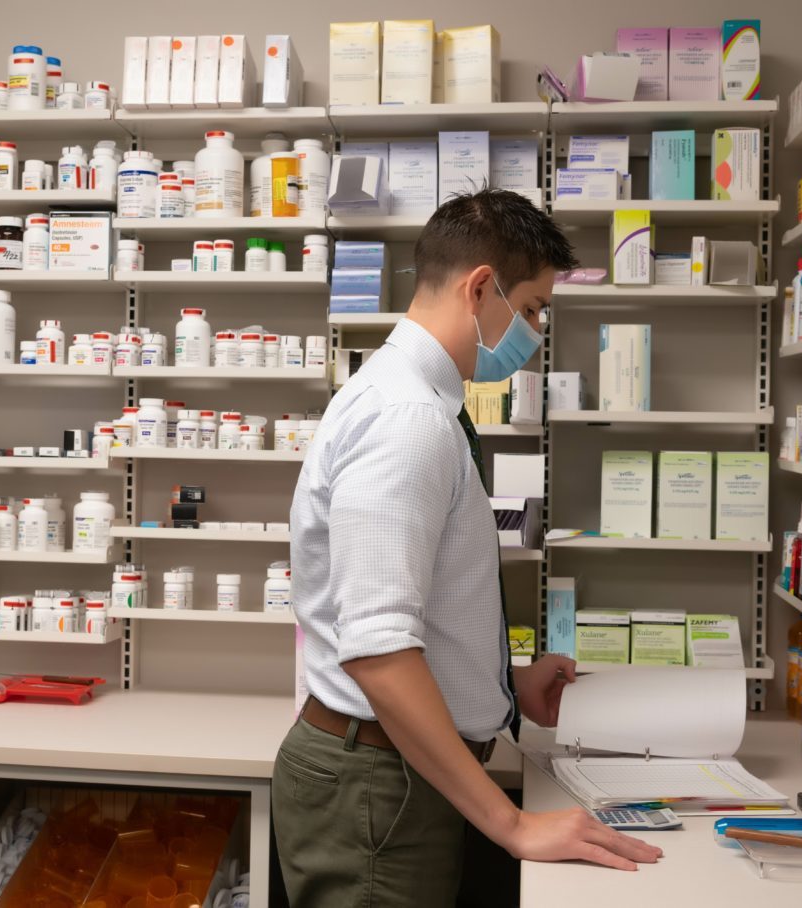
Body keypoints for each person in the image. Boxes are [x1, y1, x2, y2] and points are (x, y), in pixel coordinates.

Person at [274, 189, 663, 906]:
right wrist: (512, 826)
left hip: (396, 770)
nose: (537, 330)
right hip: (378, 787)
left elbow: (415, 610)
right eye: (535, 308)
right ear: (481, 287)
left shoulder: (416, 405)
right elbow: (379, 652)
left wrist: (504, 685)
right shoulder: (407, 421)